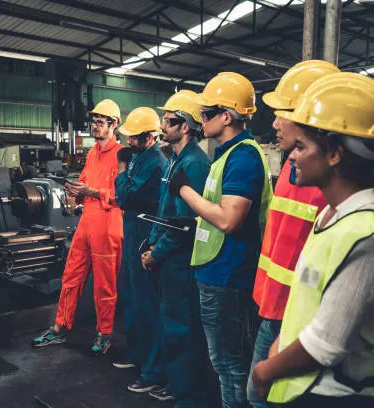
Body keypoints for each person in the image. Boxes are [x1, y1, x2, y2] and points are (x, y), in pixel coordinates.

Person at [252, 73, 374, 408]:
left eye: (301, 146)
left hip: (340, 396)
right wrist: (278, 346)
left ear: (334, 155)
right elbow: (308, 305)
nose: (292, 157)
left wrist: (264, 371)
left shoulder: (370, 237)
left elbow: (326, 345)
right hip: (305, 387)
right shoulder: (331, 216)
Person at [172, 73, 273, 408]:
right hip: (217, 272)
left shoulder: (242, 156)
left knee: (229, 364)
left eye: (206, 113)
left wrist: (184, 190)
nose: (200, 120)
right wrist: (196, 218)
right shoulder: (226, 153)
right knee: (226, 364)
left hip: (226, 276)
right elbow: (218, 210)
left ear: (226, 116)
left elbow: (229, 220)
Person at [247, 60, 337, 408]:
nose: (274, 122)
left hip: (298, 317)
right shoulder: (290, 166)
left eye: (282, 111)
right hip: (273, 305)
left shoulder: (328, 183)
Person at [32, 99, 123, 354]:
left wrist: (91, 191)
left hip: (108, 226)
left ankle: (104, 334)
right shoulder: (93, 153)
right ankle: (60, 327)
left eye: (100, 122)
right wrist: (75, 194)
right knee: (71, 276)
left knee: (104, 284)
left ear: (113, 124)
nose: (95, 126)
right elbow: (84, 183)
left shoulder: (122, 155)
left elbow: (123, 196)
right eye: (93, 122)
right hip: (86, 224)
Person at [141, 90, 212, 407]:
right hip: (166, 256)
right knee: (170, 321)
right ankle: (174, 379)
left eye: (168, 121)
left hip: (180, 259)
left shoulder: (195, 164)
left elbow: (184, 222)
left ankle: (184, 388)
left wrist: (158, 251)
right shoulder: (173, 161)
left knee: (182, 324)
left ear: (184, 126)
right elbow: (164, 210)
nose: (162, 127)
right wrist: (152, 243)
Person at [114, 107, 167, 393]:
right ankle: (138, 355)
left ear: (149, 137)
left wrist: (121, 170)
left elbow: (126, 196)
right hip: (132, 230)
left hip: (144, 233)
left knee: (147, 303)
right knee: (132, 298)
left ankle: (152, 369)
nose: (128, 142)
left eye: (133, 138)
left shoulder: (154, 163)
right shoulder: (140, 158)